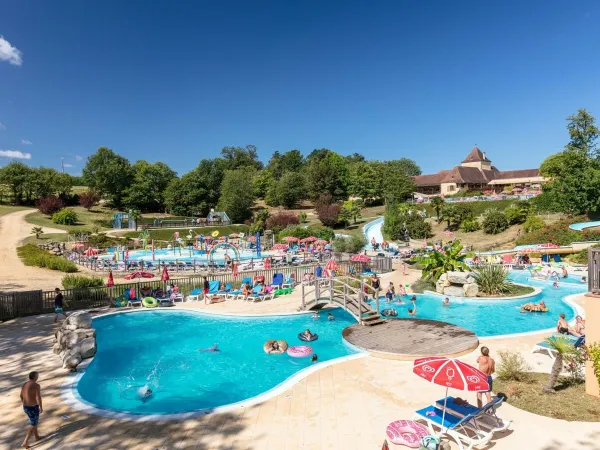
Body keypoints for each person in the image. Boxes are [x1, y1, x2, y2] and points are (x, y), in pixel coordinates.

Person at [21, 371, 43, 449]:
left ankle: (36, 436)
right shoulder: (37, 385)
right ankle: (25, 442)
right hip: (33, 407)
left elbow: (21, 395)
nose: (38, 377)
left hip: (26, 407)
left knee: (34, 421)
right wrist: (41, 407)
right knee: (33, 424)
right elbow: (38, 397)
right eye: (37, 376)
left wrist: (24, 404)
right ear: (34, 377)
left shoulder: (25, 384)